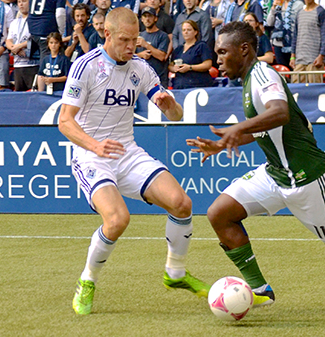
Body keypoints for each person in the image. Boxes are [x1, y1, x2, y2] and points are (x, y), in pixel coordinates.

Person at [187, 20, 325, 318]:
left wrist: (237, 127)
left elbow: (280, 113)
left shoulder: (263, 74)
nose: (218, 59)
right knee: (219, 213)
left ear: (244, 49)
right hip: (275, 174)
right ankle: (260, 291)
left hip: (309, 177)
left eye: (222, 51)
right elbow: (265, 129)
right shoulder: (248, 80)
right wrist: (223, 144)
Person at [58, 7, 210, 316]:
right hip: (91, 156)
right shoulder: (85, 66)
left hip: (127, 152)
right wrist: (95, 145)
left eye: (135, 40)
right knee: (117, 220)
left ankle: (176, 273)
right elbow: (65, 121)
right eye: (124, 40)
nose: (131, 46)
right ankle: (87, 281)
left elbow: (175, 116)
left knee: (182, 203)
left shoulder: (140, 67)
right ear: (107, 35)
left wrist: (171, 107)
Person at [290, 0, 325, 83]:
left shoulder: (321, 12)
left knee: (314, 89)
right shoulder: (300, 13)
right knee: (297, 89)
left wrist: (321, 55)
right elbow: (295, 36)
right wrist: (293, 56)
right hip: (299, 60)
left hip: (314, 60)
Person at [169, 19, 213, 88]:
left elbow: (207, 64)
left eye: (189, 30)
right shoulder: (178, 49)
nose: (186, 32)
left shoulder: (201, 46)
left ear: (195, 32)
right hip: (179, 86)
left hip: (198, 85)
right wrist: (174, 68)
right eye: (184, 30)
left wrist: (190, 67)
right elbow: (170, 65)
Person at [6, 0, 37, 91]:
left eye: (24, 1)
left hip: (32, 64)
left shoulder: (36, 21)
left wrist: (19, 46)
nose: (21, 4)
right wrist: (13, 48)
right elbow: (8, 40)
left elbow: (36, 39)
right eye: (19, 2)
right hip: (18, 64)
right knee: (19, 93)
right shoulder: (14, 22)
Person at [137, 6, 170, 86]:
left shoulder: (163, 36)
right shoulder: (139, 36)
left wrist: (146, 45)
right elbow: (130, 56)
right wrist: (140, 55)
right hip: (142, 79)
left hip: (159, 79)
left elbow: (162, 56)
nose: (147, 19)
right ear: (141, 19)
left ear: (155, 18)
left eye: (150, 16)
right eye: (145, 16)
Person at [267, 0, 304, 68]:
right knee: (282, 69)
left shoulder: (299, 4)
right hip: (278, 43)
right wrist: (273, 7)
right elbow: (269, 23)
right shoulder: (279, 4)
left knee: (294, 68)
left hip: (293, 42)